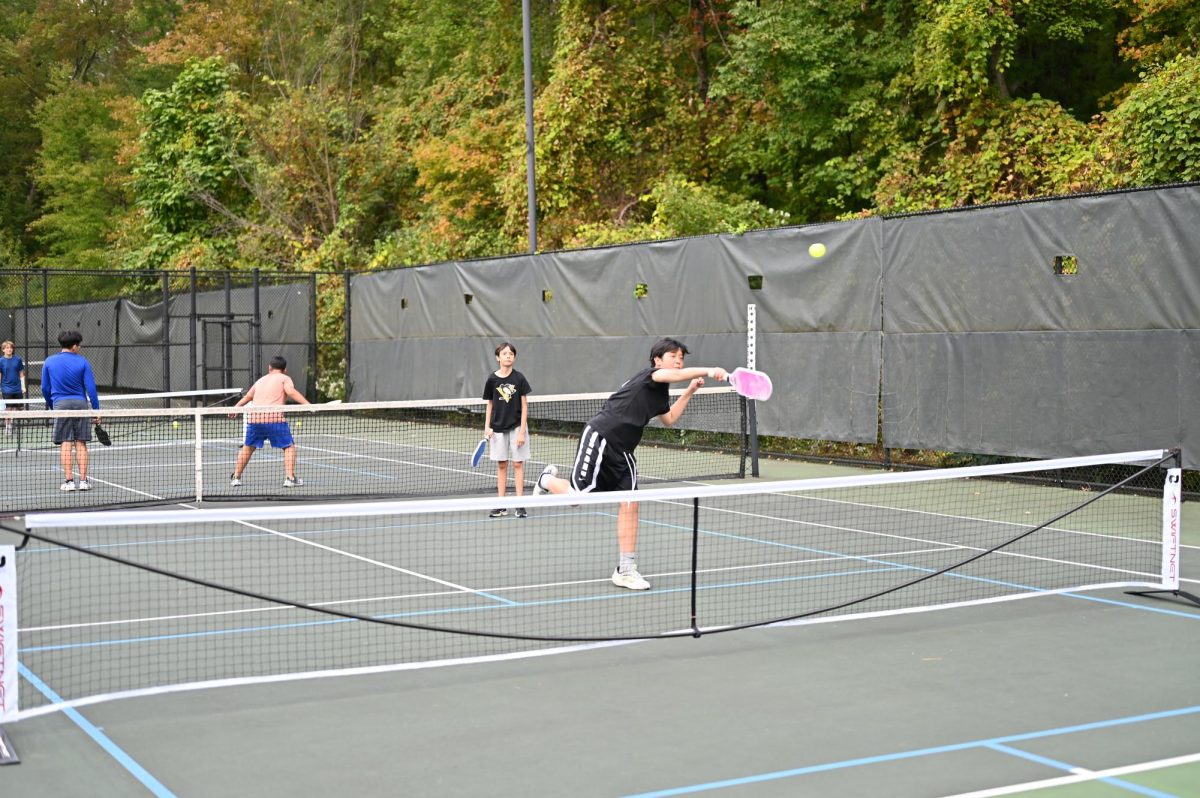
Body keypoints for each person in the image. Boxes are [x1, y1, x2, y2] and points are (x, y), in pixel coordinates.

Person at [533, 338, 728, 590]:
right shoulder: (651, 375)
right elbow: (673, 375)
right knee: (577, 497)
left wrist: (689, 392)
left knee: (630, 502)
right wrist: (710, 370)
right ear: (658, 360)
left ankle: (625, 569)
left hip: (624, 451)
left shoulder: (660, 393)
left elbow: (668, 419)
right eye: (673, 356)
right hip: (601, 437)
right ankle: (546, 480)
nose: (679, 360)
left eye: (682, 357)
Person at [229, 355, 311, 488]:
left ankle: (236, 477)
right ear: (285, 370)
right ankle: (290, 478)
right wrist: (308, 405)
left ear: (269, 368)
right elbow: (290, 391)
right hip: (275, 419)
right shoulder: (285, 378)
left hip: (255, 419)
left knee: (248, 447)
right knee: (288, 447)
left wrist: (236, 408)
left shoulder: (260, 380)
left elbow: (248, 396)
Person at [40, 330, 101, 491]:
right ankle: (83, 482)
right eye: (79, 345)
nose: (79, 347)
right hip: (81, 405)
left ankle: (69, 482)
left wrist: (52, 405)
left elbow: (45, 388)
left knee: (66, 443)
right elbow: (91, 389)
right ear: (74, 346)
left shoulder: (49, 361)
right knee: (80, 442)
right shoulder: (83, 362)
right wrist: (96, 410)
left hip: (61, 405)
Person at [481, 342, 532, 518]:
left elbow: (525, 406)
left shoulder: (519, 379)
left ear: (514, 357)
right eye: (504, 353)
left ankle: (520, 504)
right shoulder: (492, 379)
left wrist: (522, 432)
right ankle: (501, 505)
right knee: (501, 464)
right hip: (497, 428)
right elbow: (490, 404)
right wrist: (487, 427)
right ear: (498, 358)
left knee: (518, 464)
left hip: (517, 426)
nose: (508, 356)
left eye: (511, 354)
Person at [0, 340, 25, 435]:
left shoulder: (18, 359)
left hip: (17, 388)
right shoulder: (1, 361)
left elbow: (21, 373)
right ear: (3, 350)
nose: (9, 349)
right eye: (7, 348)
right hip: (6, 388)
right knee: (9, 408)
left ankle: (14, 422)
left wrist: (23, 386)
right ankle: (8, 426)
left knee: (20, 408)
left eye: (11, 348)